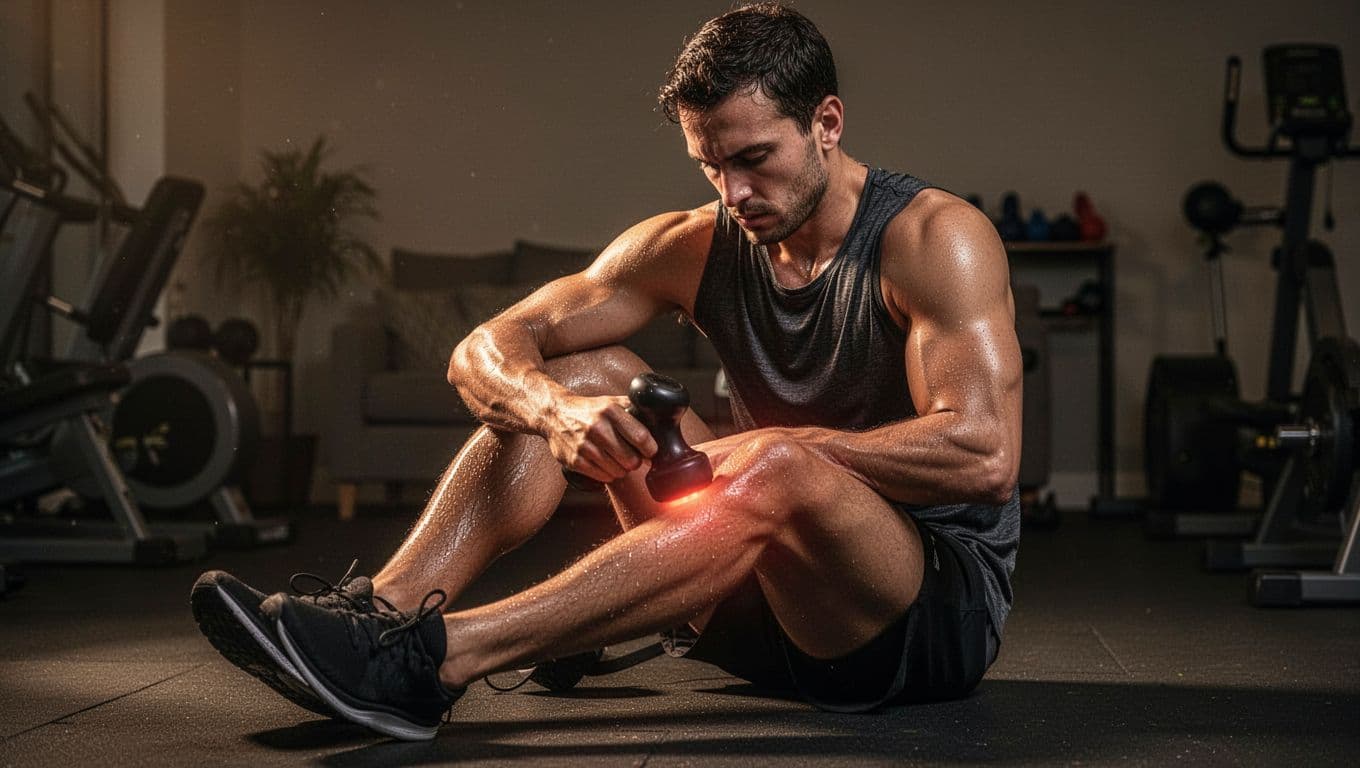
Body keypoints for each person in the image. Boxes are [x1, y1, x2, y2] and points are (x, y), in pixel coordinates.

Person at [192, 2, 1022, 741]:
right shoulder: (692, 243)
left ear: (828, 122)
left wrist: (773, 447)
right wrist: (555, 412)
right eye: (710, 164)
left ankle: (438, 662)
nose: (734, 191)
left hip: (921, 621)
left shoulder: (931, 239)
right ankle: (386, 611)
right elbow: (484, 348)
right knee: (584, 370)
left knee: (777, 462)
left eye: (756, 158)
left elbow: (983, 456)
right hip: (756, 605)